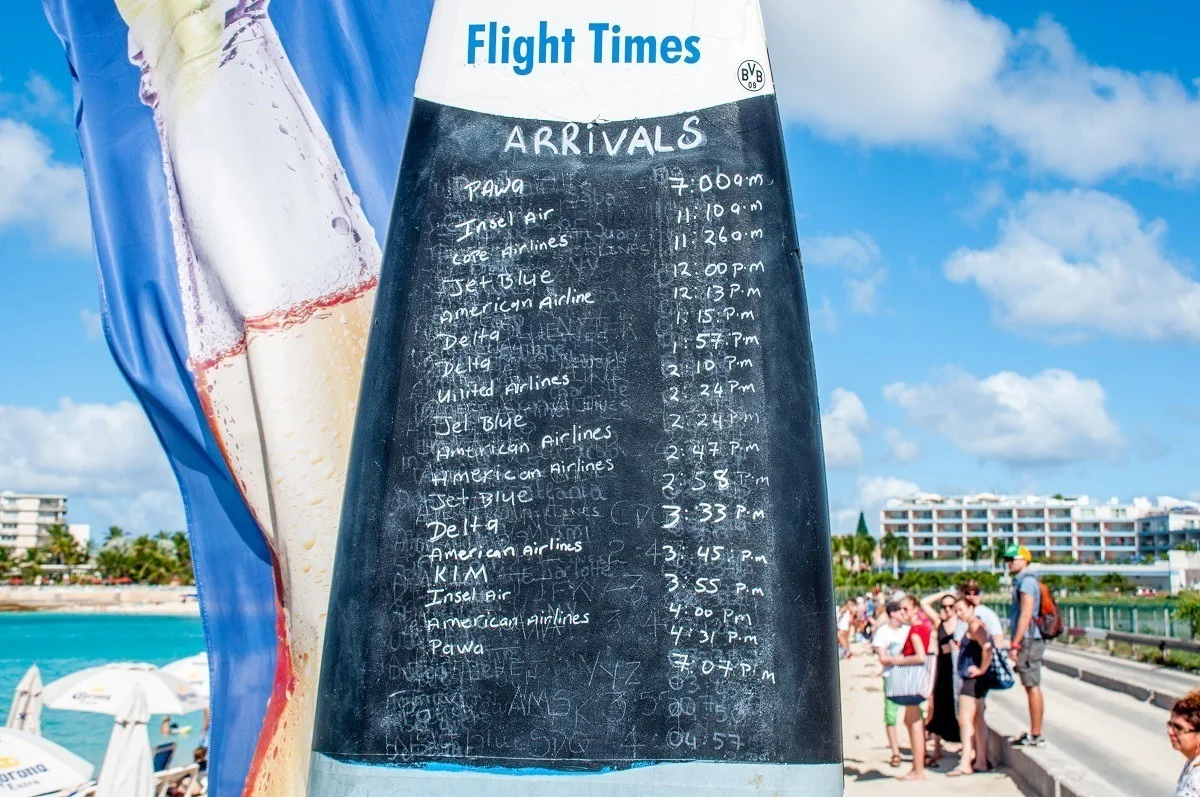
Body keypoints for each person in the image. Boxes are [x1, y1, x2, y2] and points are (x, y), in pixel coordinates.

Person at [1006, 544, 1046, 747]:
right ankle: (1034, 731)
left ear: (1024, 560)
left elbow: (1026, 613)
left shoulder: (1027, 582)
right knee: (1029, 684)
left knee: (1031, 684)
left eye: (1012, 559)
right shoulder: (1022, 581)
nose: (1009, 563)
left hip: (1029, 639)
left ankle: (1036, 733)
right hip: (1028, 639)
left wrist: (1015, 643)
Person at [948, 597, 993, 776]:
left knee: (964, 719)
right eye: (956, 610)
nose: (958, 614)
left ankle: (966, 761)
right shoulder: (974, 624)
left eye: (961, 609)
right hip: (976, 679)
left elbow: (987, 647)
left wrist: (981, 669)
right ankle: (981, 759)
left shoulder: (974, 625)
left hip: (971, 679)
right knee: (978, 719)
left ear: (971, 608)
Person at [893, 596, 933, 781]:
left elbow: (920, 656)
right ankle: (917, 767)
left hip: (912, 680)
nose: (902, 613)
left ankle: (918, 769)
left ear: (915, 609)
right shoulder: (922, 627)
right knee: (911, 721)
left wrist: (899, 661)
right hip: (917, 680)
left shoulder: (916, 630)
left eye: (905, 609)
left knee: (914, 722)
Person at [920, 591, 962, 765]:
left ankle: (964, 743)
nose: (947, 609)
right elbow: (924, 602)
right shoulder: (939, 622)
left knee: (959, 707)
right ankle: (937, 746)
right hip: (942, 669)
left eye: (951, 606)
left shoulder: (962, 624)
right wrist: (944, 593)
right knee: (938, 706)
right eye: (944, 606)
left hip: (958, 670)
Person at [871, 601, 910, 768]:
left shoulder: (908, 630)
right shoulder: (883, 632)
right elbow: (882, 658)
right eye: (901, 611)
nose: (904, 614)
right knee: (891, 715)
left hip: (909, 677)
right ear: (893, 613)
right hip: (891, 677)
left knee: (914, 715)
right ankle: (895, 752)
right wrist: (903, 660)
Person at [1169, 690, 1200, 796]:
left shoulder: (1197, 781)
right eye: (1170, 725)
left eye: (1178, 728)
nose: (1170, 732)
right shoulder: (1192, 762)